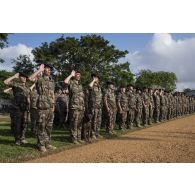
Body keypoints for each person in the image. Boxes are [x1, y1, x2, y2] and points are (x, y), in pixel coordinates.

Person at [29, 64, 56, 152]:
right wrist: (39, 70)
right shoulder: (40, 79)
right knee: (41, 126)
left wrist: (53, 106)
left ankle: (47, 143)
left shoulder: (52, 81)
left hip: (50, 107)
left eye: (49, 69)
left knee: (49, 127)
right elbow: (30, 78)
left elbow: (52, 95)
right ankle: (41, 145)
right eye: (47, 69)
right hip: (42, 107)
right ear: (43, 70)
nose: (48, 70)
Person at [4, 72, 30, 145]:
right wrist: (13, 76)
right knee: (17, 124)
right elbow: (5, 82)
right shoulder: (16, 85)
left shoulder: (27, 88)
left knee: (24, 124)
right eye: (22, 77)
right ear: (19, 78)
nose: (24, 78)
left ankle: (22, 138)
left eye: (25, 77)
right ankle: (17, 139)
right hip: (17, 108)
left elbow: (28, 97)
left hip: (25, 108)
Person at [64, 70, 85, 144]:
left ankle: (78, 138)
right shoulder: (71, 82)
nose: (78, 76)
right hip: (74, 107)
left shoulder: (80, 85)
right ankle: (73, 139)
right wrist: (70, 75)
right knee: (74, 123)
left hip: (81, 107)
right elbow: (65, 82)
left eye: (79, 75)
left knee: (79, 124)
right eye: (77, 75)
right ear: (74, 75)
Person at [88, 73, 103, 139]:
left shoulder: (99, 87)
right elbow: (89, 86)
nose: (97, 79)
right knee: (93, 121)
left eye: (97, 78)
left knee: (98, 121)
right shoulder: (91, 85)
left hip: (99, 107)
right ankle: (92, 134)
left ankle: (97, 133)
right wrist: (93, 81)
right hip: (93, 107)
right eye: (95, 78)